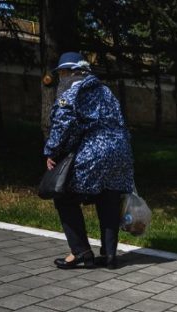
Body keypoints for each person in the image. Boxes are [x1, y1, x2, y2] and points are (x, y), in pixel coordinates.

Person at [44, 51, 134, 270]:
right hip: (121, 152)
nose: (61, 77)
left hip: (93, 151)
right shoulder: (105, 91)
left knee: (64, 196)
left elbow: (63, 124)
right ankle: (110, 255)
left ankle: (81, 252)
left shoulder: (71, 91)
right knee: (109, 198)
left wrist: (52, 151)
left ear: (72, 71)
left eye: (63, 72)